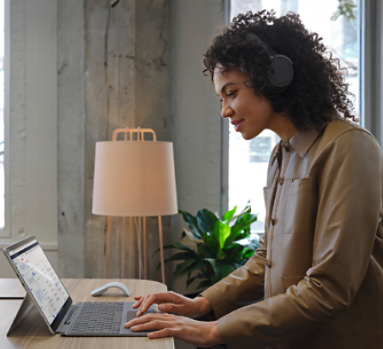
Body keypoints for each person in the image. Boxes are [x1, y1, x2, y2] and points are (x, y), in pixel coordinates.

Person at [124, 10, 383, 349]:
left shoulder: (348, 147)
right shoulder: (281, 155)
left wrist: (214, 330)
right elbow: (267, 257)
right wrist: (202, 303)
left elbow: (330, 288)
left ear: (273, 76)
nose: (225, 110)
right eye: (221, 98)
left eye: (230, 92)